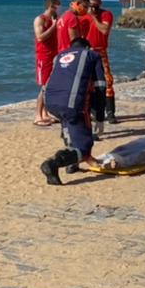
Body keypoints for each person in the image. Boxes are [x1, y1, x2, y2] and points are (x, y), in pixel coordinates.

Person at [39, 23, 107, 185]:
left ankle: (72, 165)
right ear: (87, 47)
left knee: (69, 127)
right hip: (72, 102)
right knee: (84, 144)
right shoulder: (92, 56)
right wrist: (99, 116)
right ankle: (53, 163)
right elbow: (100, 87)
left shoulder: (59, 56)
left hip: (49, 102)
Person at [86, 0, 118, 131]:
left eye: (95, 5)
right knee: (88, 82)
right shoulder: (83, 16)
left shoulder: (106, 15)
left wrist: (93, 17)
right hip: (87, 51)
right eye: (91, 5)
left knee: (107, 81)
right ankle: (92, 111)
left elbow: (104, 30)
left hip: (100, 51)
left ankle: (110, 112)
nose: (93, 8)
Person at [33, 0, 60, 126]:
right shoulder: (40, 19)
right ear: (51, 5)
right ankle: (37, 116)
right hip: (43, 57)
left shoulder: (55, 19)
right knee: (44, 87)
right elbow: (40, 37)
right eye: (57, 4)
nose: (59, 7)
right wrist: (54, 26)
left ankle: (45, 113)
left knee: (49, 86)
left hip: (54, 55)